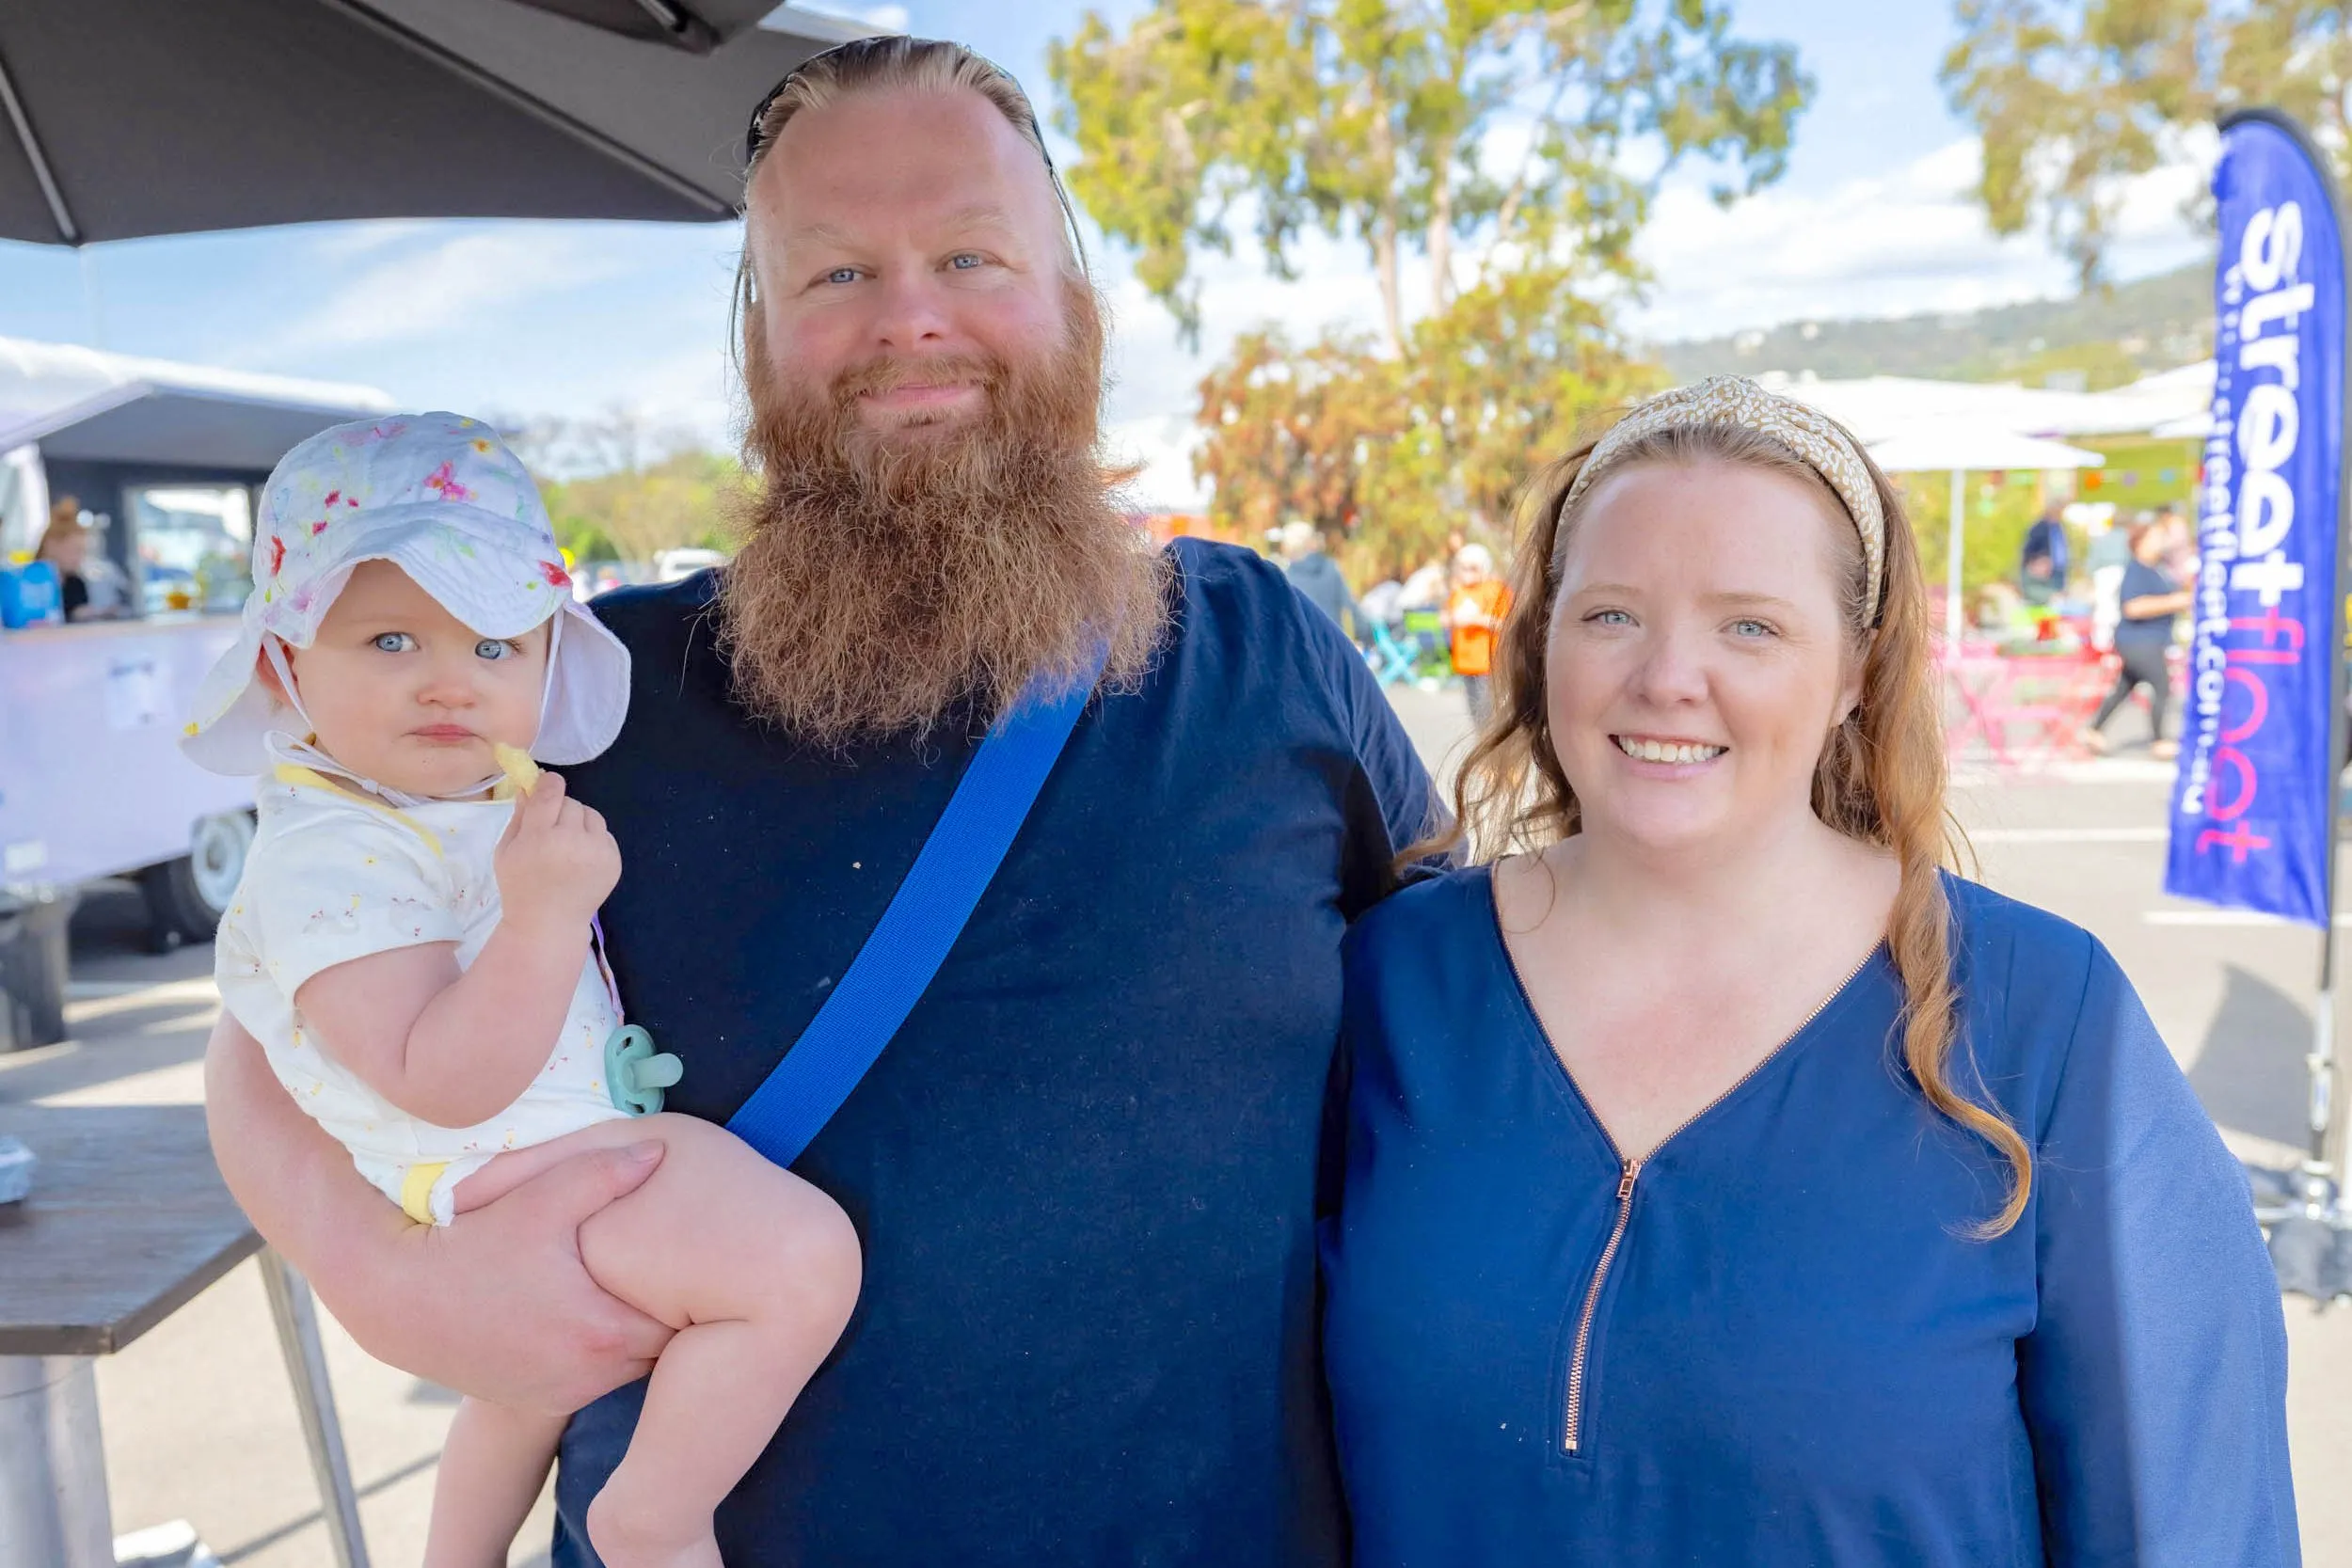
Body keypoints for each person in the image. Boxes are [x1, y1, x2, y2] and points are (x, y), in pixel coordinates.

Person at [201, 36, 1433, 1566]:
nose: (909, 318)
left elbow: (1483, 1017)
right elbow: (262, 1023)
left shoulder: (1265, 653)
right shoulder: (581, 694)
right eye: (833, 274)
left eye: (970, 254)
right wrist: (384, 1274)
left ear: (1076, 304)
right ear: (760, 338)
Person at [1320, 377, 2296, 1565]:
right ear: (1543, 641)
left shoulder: (2043, 1019)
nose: (1668, 675)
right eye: (1611, 614)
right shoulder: (1398, 981)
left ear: (1852, 672)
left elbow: (2195, 1515)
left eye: (1750, 624)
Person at [183, 416, 860, 1568]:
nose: (454, 680)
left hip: (518, 1164)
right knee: (800, 1259)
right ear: (283, 665)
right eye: (392, 639)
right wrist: (545, 916)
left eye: (498, 644)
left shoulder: (438, 809)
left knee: (515, 1396)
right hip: (506, 1160)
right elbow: (438, 1080)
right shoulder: (327, 859)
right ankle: (657, 1512)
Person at [2083, 517, 2189, 759]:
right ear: (2140, 543)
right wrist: (2172, 602)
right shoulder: (2137, 570)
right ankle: (2160, 740)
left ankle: (2094, 730)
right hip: (2139, 639)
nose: (2161, 543)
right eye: (2155, 538)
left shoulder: (2156, 570)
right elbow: (2132, 607)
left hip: (2147, 638)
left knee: (2124, 687)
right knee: (2161, 686)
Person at [1442, 542, 1510, 721]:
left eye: (1472, 568)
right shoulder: (1459, 592)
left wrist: (1478, 619)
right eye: (1462, 568)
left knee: (1488, 715)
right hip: (1465, 662)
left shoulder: (1495, 590)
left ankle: (1493, 748)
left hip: (1488, 664)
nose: (1466, 573)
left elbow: (1506, 624)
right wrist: (1452, 620)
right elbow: (1446, 618)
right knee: (1475, 714)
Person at [35, 498, 130, 622]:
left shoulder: (76, 584)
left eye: (82, 552)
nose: (79, 558)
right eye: (75, 551)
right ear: (51, 546)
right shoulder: (29, 584)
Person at [1279, 517, 1367, 642]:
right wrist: (1365, 634)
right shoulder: (1331, 568)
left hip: (1304, 649)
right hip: (1333, 645)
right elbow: (1350, 605)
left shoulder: (1286, 578)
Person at [2019, 501, 2069, 607]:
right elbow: (2030, 548)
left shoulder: (2057, 527)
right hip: (2044, 566)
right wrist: (2038, 562)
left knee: (2057, 595)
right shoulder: (2039, 529)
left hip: (2057, 567)